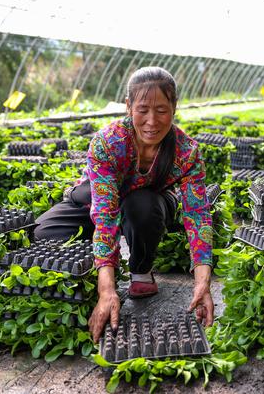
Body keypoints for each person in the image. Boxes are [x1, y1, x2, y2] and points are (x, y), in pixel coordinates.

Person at [34, 67, 214, 342]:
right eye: (143, 109)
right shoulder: (108, 143)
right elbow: (105, 214)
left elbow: (197, 216)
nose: (152, 121)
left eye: (162, 110)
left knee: (141, 203)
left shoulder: (186, 152)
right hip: (99, 199)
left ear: (174, 107)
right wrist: (106, 287)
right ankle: (100, 260)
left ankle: (141, 270)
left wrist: (203, 281)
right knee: (44, 233)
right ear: (128, 106)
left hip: (148, 204)